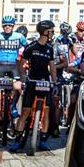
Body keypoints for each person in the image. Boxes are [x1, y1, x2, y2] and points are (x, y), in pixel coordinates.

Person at [12, 20, 58, 151]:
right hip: (32, 81)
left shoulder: (50, 48)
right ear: (45, 32)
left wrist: (54, 82)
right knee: (26, 111)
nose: (53, 33)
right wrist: (23, 77)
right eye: (51, 31)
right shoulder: (31, 47)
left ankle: (43, 140)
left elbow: (52, 66)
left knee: (47, 111)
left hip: (45, 82)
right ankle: (17, 140)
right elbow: (21, 63)